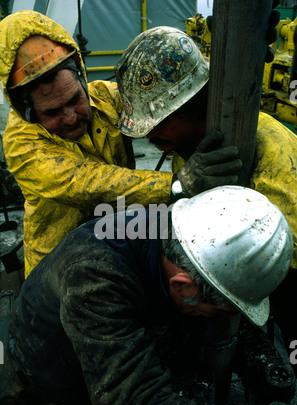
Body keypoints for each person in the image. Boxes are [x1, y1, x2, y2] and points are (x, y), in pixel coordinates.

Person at [0, 185, 296, 405]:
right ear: (184, 287)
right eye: (220, 312)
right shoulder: (94, 279)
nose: (221, 318)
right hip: (46, 370)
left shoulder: (180, 230)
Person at [0, 11, 242, 278]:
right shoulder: (21, 142)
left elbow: (165, 105)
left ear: (82, 78)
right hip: (56, 265)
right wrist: (178, 185)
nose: (70, 117)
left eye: (74, 99)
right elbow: (85, 183)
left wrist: (233, 73)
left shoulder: (106, 97)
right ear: (28, 113)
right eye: (52, 112)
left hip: (115, 238)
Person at [115, 24, 297, 362]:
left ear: (196, 102)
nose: (149, 135)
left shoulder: (269, 154)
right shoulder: (192, 149)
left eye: (159, 121)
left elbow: (274, 261)